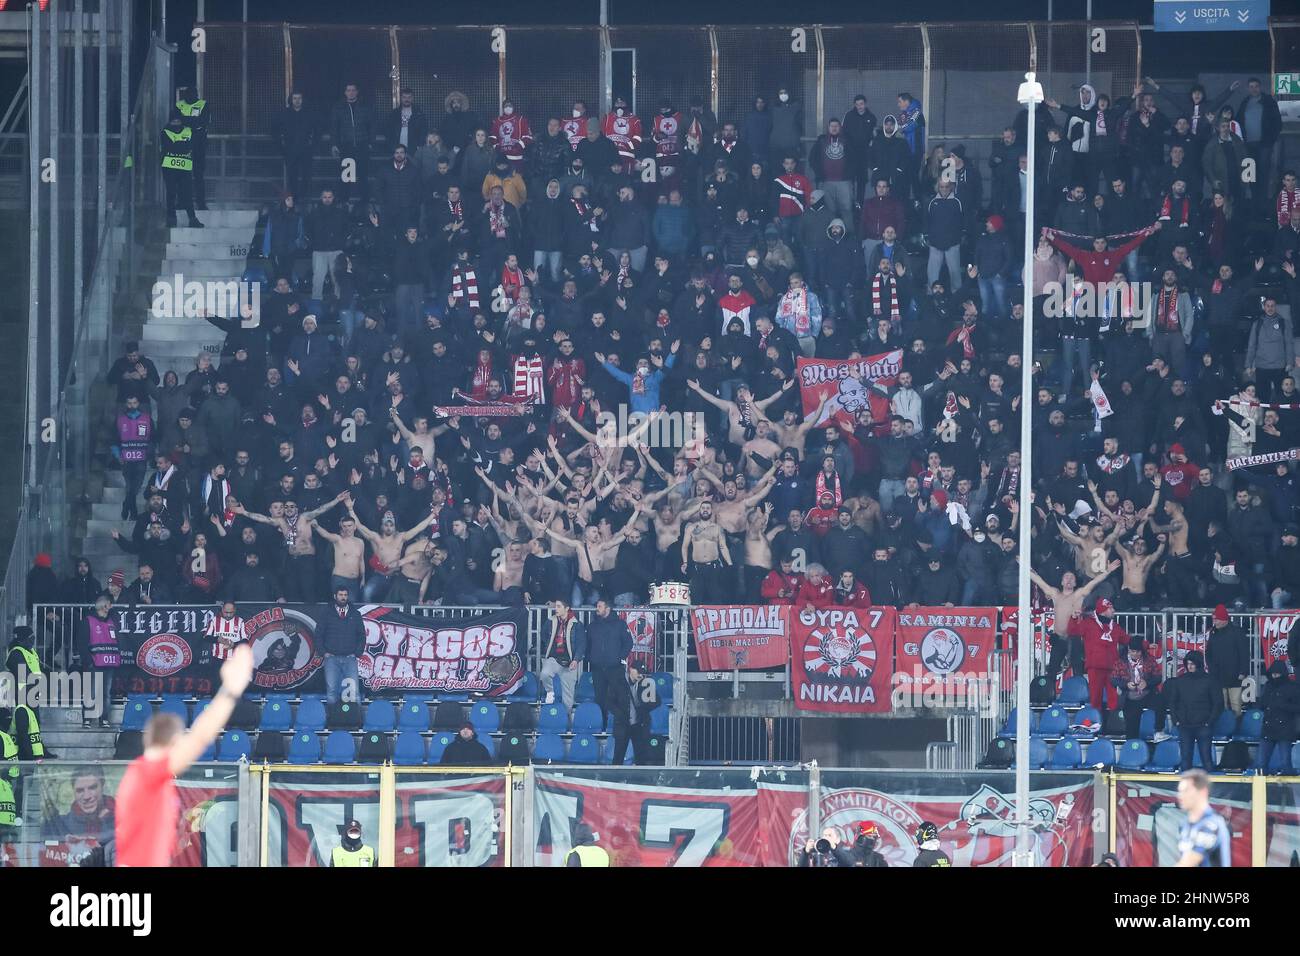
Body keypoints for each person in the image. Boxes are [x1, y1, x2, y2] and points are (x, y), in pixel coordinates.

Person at [114, 644, 253, 867]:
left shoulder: (144, 774)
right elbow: (199, 737)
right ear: (175, 741)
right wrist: (230, 691)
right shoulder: (148, 772)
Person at [1165, 651, 1220, 773]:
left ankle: (1213, 790)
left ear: (1199, 664)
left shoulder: (1210, 680)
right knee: (1185, 760)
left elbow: (1218, 703)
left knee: (1206, 759)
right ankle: (1185, 790)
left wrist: (1209, 722)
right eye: (1188, 663)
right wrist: (1176, 721)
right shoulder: (1180, 681)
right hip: (1185, 725)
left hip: (1203, 725)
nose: (1189, 666)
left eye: (1192, 664)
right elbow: (1172, 702)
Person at [586, 599, 633, 731]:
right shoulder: (592, 626)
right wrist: (591, 658)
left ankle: (621, 726)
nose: (597, 608)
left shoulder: (620, 624)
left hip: (615, 668)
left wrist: (619, 657)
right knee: (599, 698)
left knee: (619, 698)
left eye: (600, 606)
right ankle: (602, 725)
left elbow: (628, 643)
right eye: (597, 606)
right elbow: (587, 645)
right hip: (598, 669)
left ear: (608, 609)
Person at [74, 593, 119, 729]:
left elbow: (117, 641)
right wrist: (88, 661)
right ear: (104, 605)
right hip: (94, 663)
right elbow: (81, 643)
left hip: (109, 663)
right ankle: (87, 719)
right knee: (92, 692)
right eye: (109, 604)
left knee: (106, 693)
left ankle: (103, 719)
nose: (110, 607)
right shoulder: (88, 621)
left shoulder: (112, 621)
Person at [316, 586, 366, 706]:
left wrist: (357, 653)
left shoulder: (355, 613)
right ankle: (332, 722)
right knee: (332, 691)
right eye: (340, 595)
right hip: (331, 659)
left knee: (353, 692)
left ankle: (356, 721)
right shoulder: (326, 613)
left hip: (350, 659)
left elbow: (362, 635)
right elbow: (318, 634)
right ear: (335, 596)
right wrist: (324, 653)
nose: (343, 597)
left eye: (345, 595)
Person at [1174, 769, 1231, 867]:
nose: (1180, 796)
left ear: (1203, 792)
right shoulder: (1185, 824)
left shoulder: (1211, 825)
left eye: (1186, 791)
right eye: (1180, 791)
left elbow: (1188, 862)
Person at [539, 600, 587, 709]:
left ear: (566, 608)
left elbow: (581, 644)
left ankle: (567, 719)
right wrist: (549, 647)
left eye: (559, 606)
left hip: (570, 661)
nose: (556, 609)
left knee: (568, 698)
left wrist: (576, 660)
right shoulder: (550, 621)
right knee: (544, 674)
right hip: (554, 658)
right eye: (556, 606)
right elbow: (544, 634)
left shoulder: (577, 624)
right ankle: (550, 692)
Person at [610, 660, 658, 766]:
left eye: (642, 672)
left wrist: (645, 702)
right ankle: (614, 779)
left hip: (639, 725)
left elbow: (657, 701)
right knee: (618, 756)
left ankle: (640, 780)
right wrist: (619, 714)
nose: (640, 675)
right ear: (631, 669)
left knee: (641, 757)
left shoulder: (645, 684)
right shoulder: (618, 682)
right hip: (623, 724)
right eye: (638, 672)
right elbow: (609, 702)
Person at [1205, 603, 1249, 719]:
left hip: (1235, 676)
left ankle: (1236, 728)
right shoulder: (1213, 633)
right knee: (1221, 705)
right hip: (1218, 677)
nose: (1215, 622)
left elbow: (1244, 653)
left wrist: (1243, 672)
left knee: (1236, 706)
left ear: (1224, 619)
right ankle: (1224, 728)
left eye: (1217, 620)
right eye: (1214, 620)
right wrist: (1211, 669)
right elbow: (1208, 653)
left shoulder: (1237, 632)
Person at [160, 112, 202, 229]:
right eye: (174, 121)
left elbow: (191, 146)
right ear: (170, 122)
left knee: (187, 195)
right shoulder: (165, 132)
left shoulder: (189, 131)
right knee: (171, 194)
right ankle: (171, 220)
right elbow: (170, 146)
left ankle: (192, 219)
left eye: (178, 121)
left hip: (185, 169)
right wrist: (183, 145)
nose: (176, 123)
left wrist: (178, 144)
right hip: (170, 169)